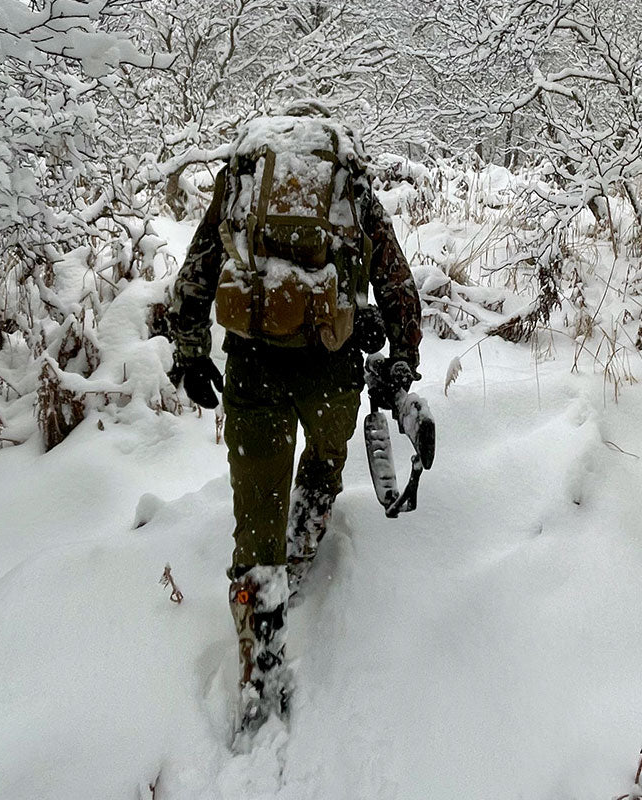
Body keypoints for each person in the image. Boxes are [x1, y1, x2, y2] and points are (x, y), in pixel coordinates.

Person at [166, 102, 422, 733]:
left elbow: (196, 271)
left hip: (252, 367)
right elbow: (396, 281)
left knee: (254, 525)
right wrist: (402, 357)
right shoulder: (349, 181)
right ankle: (304, 543)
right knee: (325, 462)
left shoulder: (244, 174)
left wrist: (191, 353)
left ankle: (263, 663)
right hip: (330, 369)